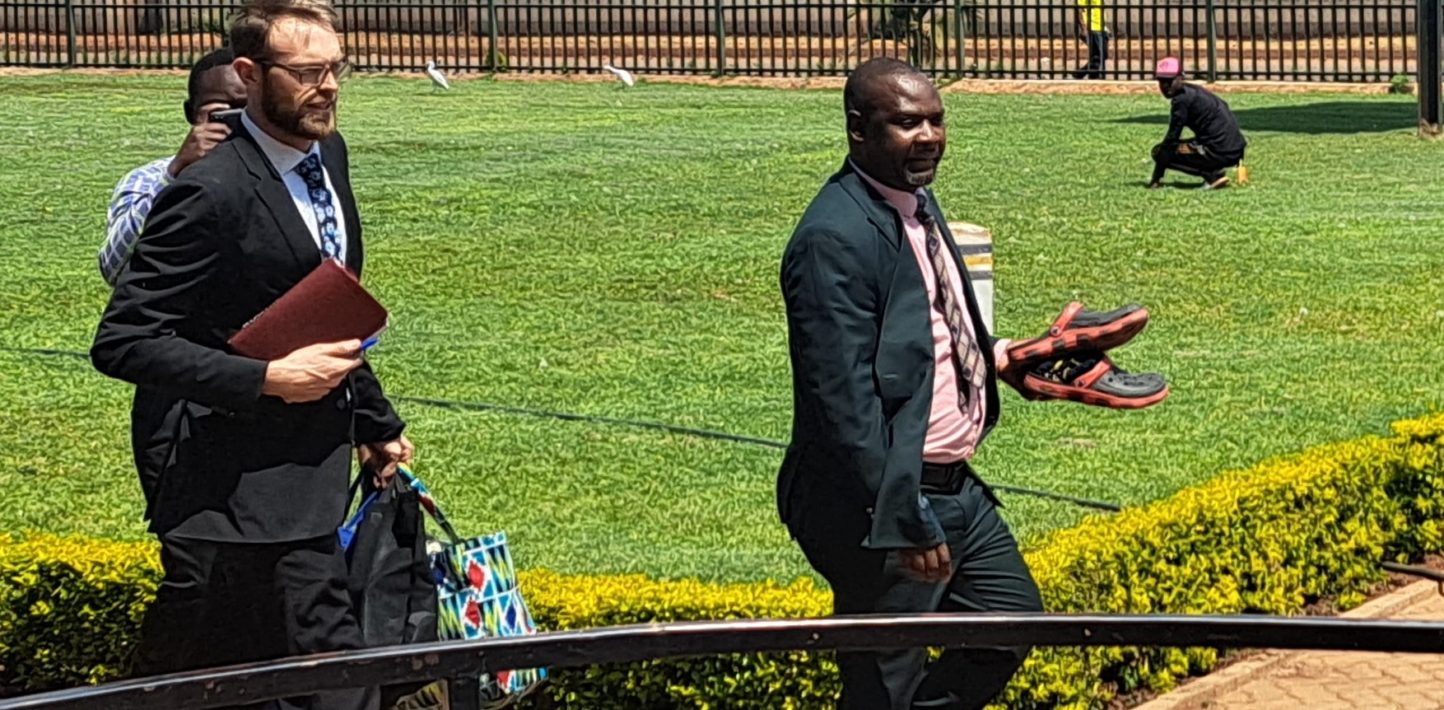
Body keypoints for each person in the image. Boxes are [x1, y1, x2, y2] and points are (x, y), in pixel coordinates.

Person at [90, 0, 411, 707]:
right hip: (232, 491)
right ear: (250, 74)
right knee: (325, 676)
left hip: (310, 470)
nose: (329, 86)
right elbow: (124, 341)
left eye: (336, 68)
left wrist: (375, 424)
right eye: (307, 72)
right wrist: (265, 378)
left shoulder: (328, 154)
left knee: (275, 675)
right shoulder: (211, 191)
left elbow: (320, 305)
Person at [778, 57, 1043, 710]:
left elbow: (929, 330)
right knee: (883, 682)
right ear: (858, 130)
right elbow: (842, 402)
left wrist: (1000, 359)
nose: (928, 137)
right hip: (877, 502)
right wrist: (904, 517)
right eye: (906, 123)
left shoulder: (914, 200)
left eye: (935, 120)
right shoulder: (832, 239)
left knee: (1009, 620)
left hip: (954, 486)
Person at [99, 48, 246, 286]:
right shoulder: (148, 179)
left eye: (247, 111)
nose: (235, 122)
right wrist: (174, 175)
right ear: (191, 113)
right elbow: (112, 267)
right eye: (220, 113)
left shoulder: (290, 174)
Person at [1148, 56, 1247, 190]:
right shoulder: (1194, 92)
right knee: (1170, 149)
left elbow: (1172, 137)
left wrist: (1156, 177)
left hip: (1218, 151)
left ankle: (1212, 176)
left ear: (1180, 78)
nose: (1165, 86)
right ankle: (1213, 172)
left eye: (1170, 81)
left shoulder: (1182, 100)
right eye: (1161, 81)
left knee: (1159, 151)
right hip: (1235, 149)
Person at [1071, 0, 1107, 79]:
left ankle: (1082, 73)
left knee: (1102, 54)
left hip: (1101, 28)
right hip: (1091, 28)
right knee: (1097, 55)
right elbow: (1079, 10)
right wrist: (1083, 29)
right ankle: (1091, 76)